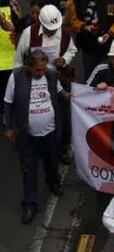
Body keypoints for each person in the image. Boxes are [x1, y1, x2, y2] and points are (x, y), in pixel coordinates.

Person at [4, 49, 68, 224]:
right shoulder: (16, 77)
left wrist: (72, 96)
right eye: (38, 70)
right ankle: (30, 205)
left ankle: (53, 182)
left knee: (52, 163)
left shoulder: (51, 75)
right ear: (29, 67)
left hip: (50, 133)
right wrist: (9, 127)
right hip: (27, 136)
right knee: (28, 171)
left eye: (43, 68)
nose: (41, 72)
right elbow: (8, 103)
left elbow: (61, 93)